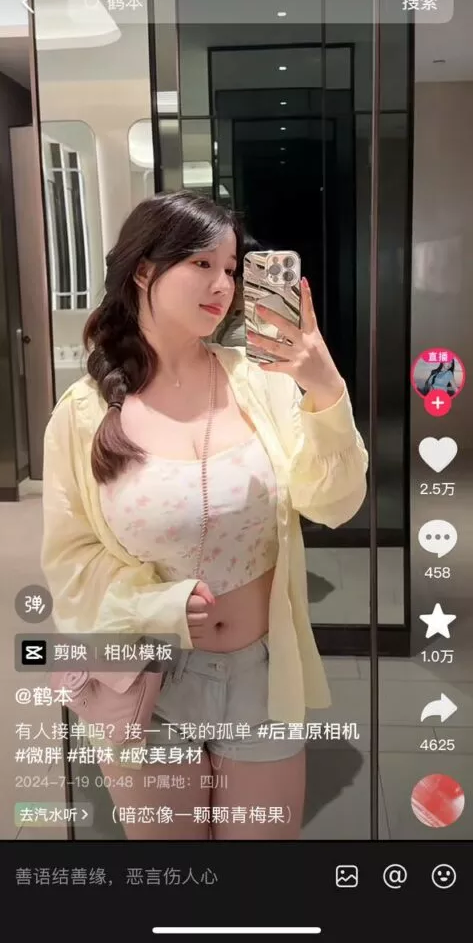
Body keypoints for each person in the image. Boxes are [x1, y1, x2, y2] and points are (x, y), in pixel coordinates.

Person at [41, 190, 368, 840]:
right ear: (144, 270)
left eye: (231, 268)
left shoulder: (261, 383)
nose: (223, 285)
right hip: (149, 677)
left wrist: (324, 388)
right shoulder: (82, 414)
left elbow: (333, 503)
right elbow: (68, 562)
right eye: (202, 264)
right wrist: (155, 606)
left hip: (261, 673)